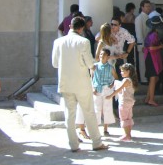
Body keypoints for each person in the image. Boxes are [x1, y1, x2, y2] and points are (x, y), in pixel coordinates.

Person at [51, 17, 108, 152]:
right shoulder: (83, 41)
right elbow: (90, 63)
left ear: (70, 26)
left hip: (65, 82)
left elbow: (54, 63)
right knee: (88, 112)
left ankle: (73, 144)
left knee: (69, 114)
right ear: (81, 28)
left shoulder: (58, 41)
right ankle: (96, 142)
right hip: (81, 82)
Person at [106, 63, 138, 142]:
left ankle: (126, 135)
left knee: (123, 118)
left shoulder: (126, 80)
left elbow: (119, 89)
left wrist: (111, 96)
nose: (121, 73)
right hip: (130, 101)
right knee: (128, 118)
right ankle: (128, 134)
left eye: (123, 71)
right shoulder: (131, 80)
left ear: (128, 71)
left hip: (124, 101)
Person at [92, 48, 118, 136]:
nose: (101, 56)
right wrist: (92, 88)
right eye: (100, 54)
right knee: (97, 109)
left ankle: (105, 129)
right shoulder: (95, 66)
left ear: (107, 57)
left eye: (103, 54)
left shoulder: (111, 67)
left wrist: (112, 84)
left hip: (107, 89)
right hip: (97, 89)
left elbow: (116, 78)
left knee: (107, 108)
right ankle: (95, 129)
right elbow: (91, 78)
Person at [143, 28, 163, 106]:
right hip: (152, 58)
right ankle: (151, 100)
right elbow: (151, 48)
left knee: (155, 78)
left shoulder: (150, 34)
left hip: (150, 58)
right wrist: (161, 46)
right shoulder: (154, 35)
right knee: (153, 78)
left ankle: (147, 98)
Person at [135, 0, 152, 83]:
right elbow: (139, 33)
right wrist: (141, 45)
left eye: (149, 6)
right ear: (142, 7)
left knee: (148, 62)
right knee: (142, 63)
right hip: (143, 44)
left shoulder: (149, 17)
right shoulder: (139, 18)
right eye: (147, 6)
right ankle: (143, 79)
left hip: (150, 44)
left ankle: (147, 78)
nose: (149, 8)